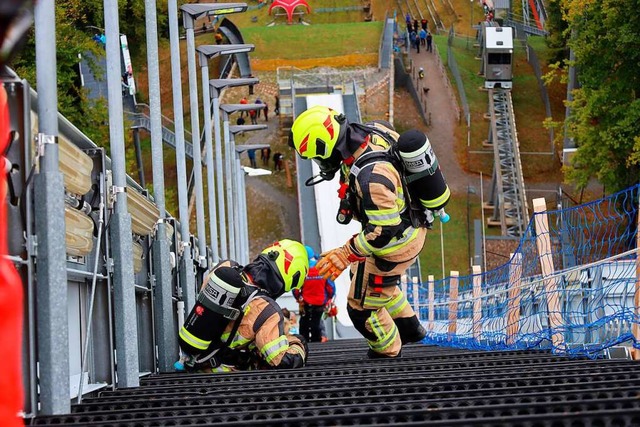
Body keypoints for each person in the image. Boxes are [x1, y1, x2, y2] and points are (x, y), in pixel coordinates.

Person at [289, 106, 429, 359]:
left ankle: (388, 350)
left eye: (319, 158)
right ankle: (410, 328)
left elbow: (383, 230)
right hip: (412, 223)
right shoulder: (374, 131)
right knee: (362, 275)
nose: (321, 164)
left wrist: (346, 253)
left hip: (396, 243)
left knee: (360, 308)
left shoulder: (371, 177)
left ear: (325, 147)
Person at [176, 239, 310, 373]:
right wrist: (297, 345)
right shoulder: (268, 310)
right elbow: (280, 362)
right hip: (221, 378)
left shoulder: (225, 267)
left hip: (193, 363)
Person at [293, 246, 336, 343]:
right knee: (316, 323)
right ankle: (316, 343)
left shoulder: (302, 271)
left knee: (304, 323)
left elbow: (296, 289)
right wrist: (329, 298)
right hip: (320, 303)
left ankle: (304, 343)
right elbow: (331, 287)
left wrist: (298, 298)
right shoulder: (323, 269)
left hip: (306, 303)